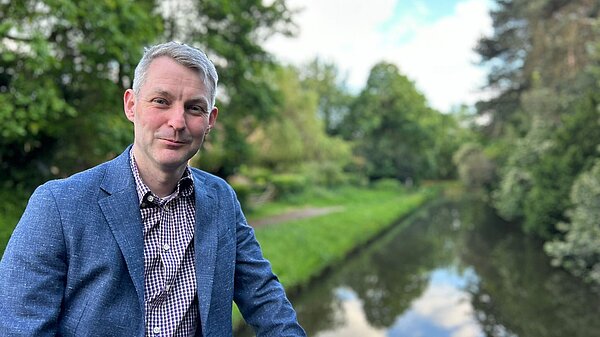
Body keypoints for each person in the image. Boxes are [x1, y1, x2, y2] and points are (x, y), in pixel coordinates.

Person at [0, 41, 306, 337]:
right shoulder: (57, 205)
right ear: (131, 105)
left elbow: (266, 299)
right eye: (161, 101)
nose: (177, 121)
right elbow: (20, 328)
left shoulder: (221, 199)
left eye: (194, 108)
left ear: (210, 120)